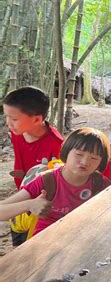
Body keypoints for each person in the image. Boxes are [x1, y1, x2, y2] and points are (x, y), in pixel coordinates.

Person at [0, 127, 111, 236]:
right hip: (44, 243)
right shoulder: (47, 181)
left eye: (94, 158)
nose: (85, 162)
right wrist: (29, 205)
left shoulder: (100, 184)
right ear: (66, 152)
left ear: (101, 162)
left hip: (81, 241)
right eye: (79, 154)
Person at [3, 86, 64, 246]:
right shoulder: (17, 133)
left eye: (14, 119)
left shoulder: (56, 145)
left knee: (32, 245)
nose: (9, 123)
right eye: (7, 117)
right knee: (18, 239)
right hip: (21, 196)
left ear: (37, 119)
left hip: (42, 204)